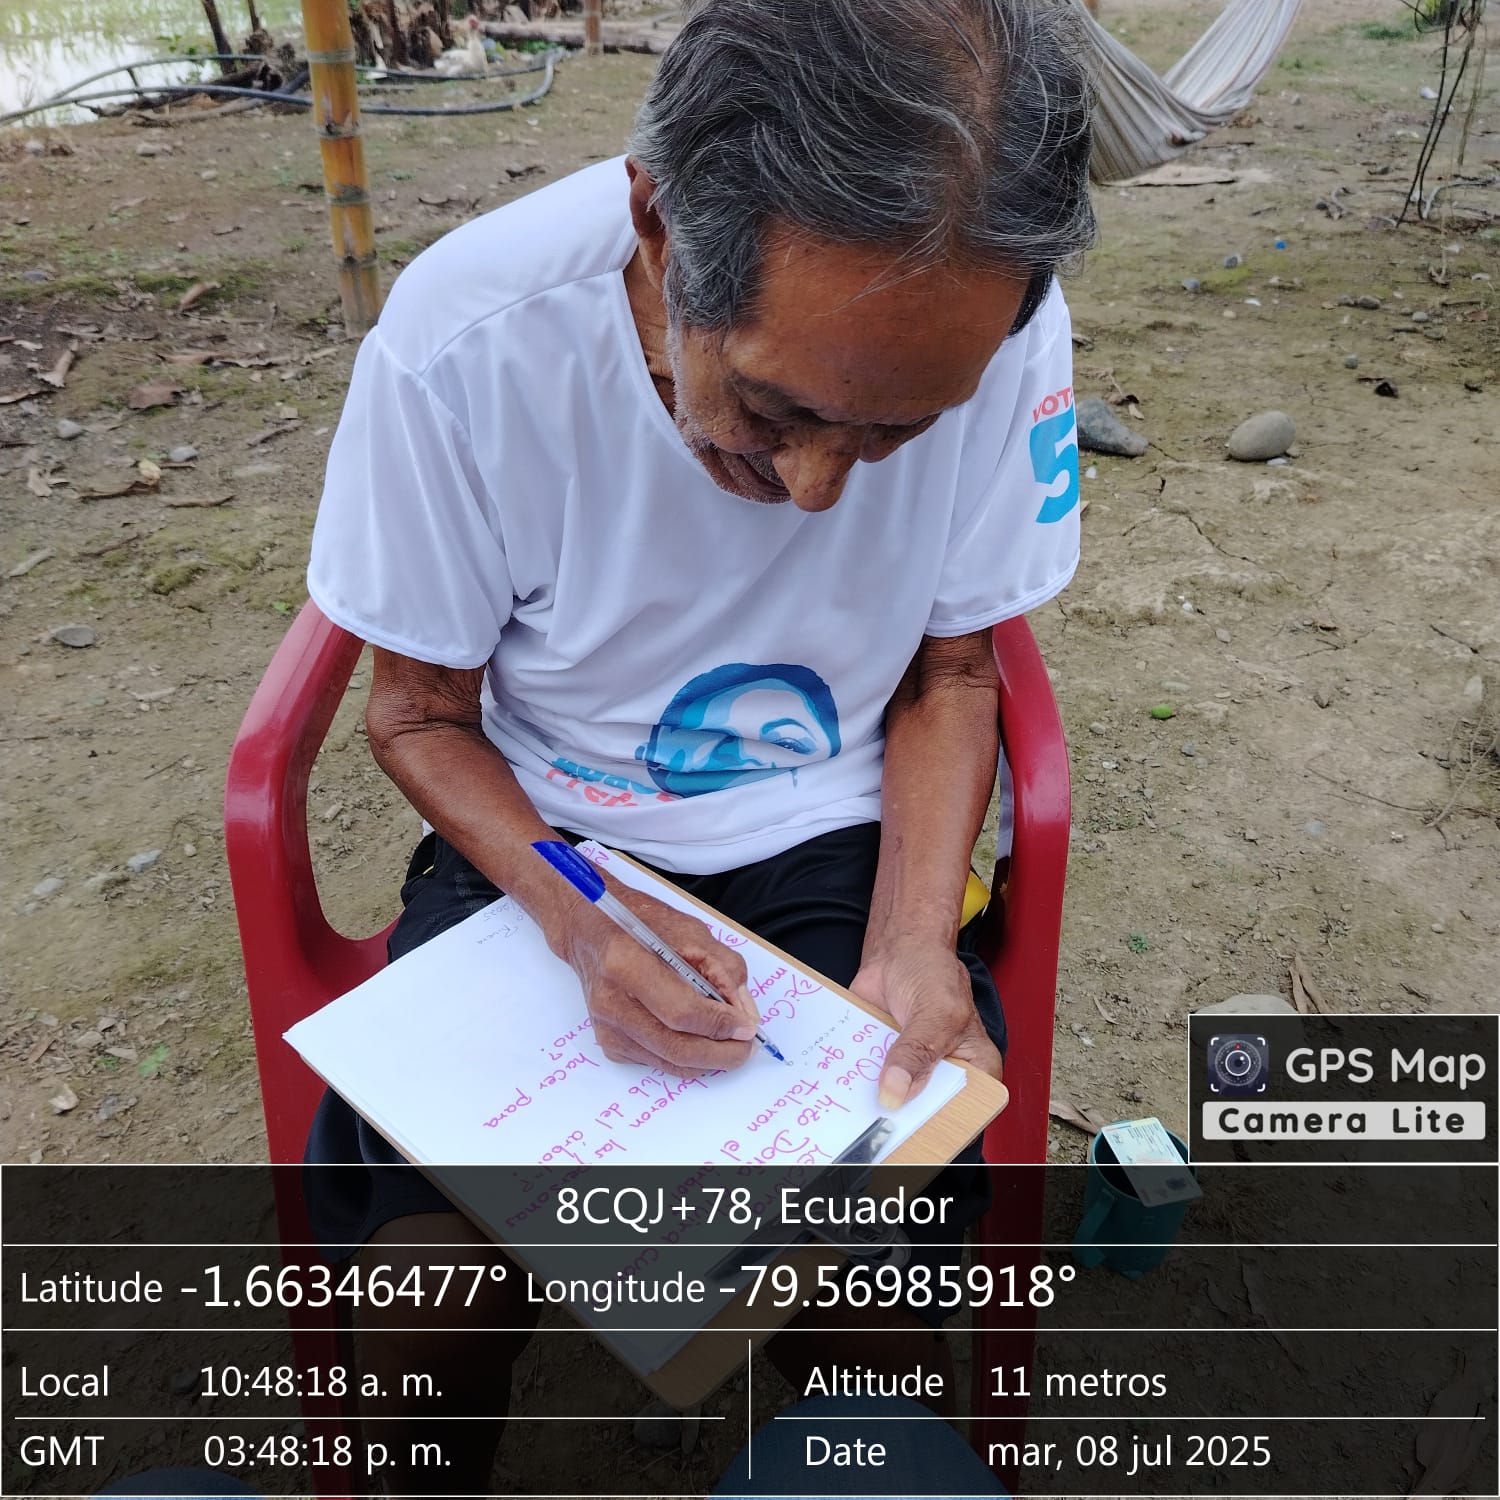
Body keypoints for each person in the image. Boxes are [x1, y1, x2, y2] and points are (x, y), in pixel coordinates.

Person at [303, 0, 1094, 1491]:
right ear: (659, 227)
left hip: (833, 820)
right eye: (778, 409)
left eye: (895, 435)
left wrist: (915, 941)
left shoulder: (997, 318)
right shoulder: (470, 337)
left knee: (877, 1277)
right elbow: (415, 713)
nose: (817, 492)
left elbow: (951, 667)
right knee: (423, 1297)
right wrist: (576, 910)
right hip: (550, 828)